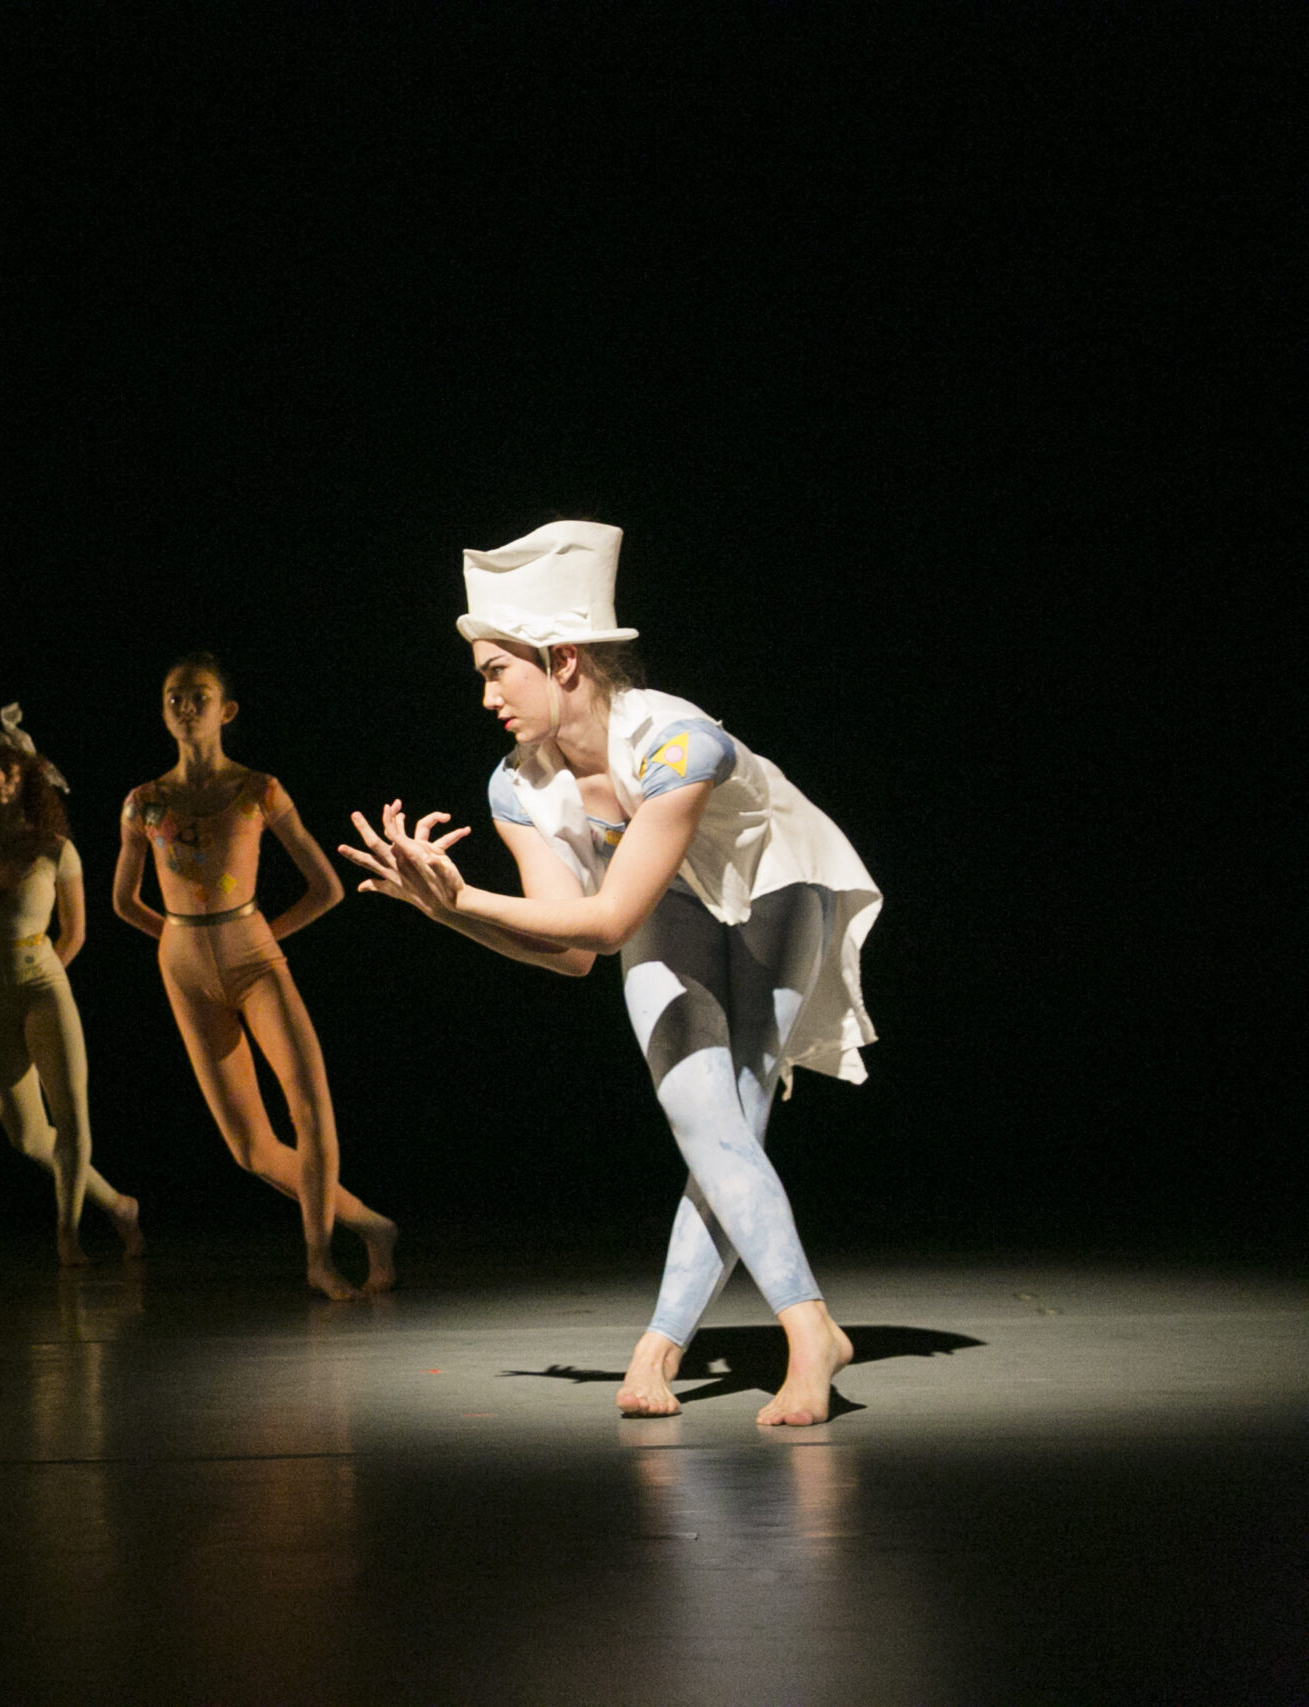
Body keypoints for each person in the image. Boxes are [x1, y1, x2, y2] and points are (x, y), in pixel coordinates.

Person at [339, 521, 881, 1426]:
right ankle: (765, 1332)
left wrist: (462, 900)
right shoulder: (519, 786)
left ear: (561, 663)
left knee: (738, 1108)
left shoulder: (677, 745)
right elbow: (572, 949)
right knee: (699, 1111)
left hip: (776, 882)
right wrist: (447, 909)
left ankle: (753, 1336)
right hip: (663, 900)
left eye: (495, 672)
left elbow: (608, 916)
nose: (486, 697)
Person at [115, 655, 397, 1300]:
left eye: (198, 696)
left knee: (310, 1108)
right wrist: (182, 940)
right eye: (173, 698)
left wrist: (258, 937)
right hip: (184, 970)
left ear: (226, 710)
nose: (185, 707)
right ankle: (372, 1225)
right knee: (249, 1147)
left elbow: (326, 888)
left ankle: (319, 1258)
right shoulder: (143, 802)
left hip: (254, 959)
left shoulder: (258, 790)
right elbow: (124, 903)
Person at [0, 704, 144, 1266]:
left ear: (27, 778)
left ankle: (67, 1235)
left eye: (10, 771)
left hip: (43, 980)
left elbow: (75, 932)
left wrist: (40, 974)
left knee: (72, 1118)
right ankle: (119, 1206)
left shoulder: (54, 848)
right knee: (26, 1136)